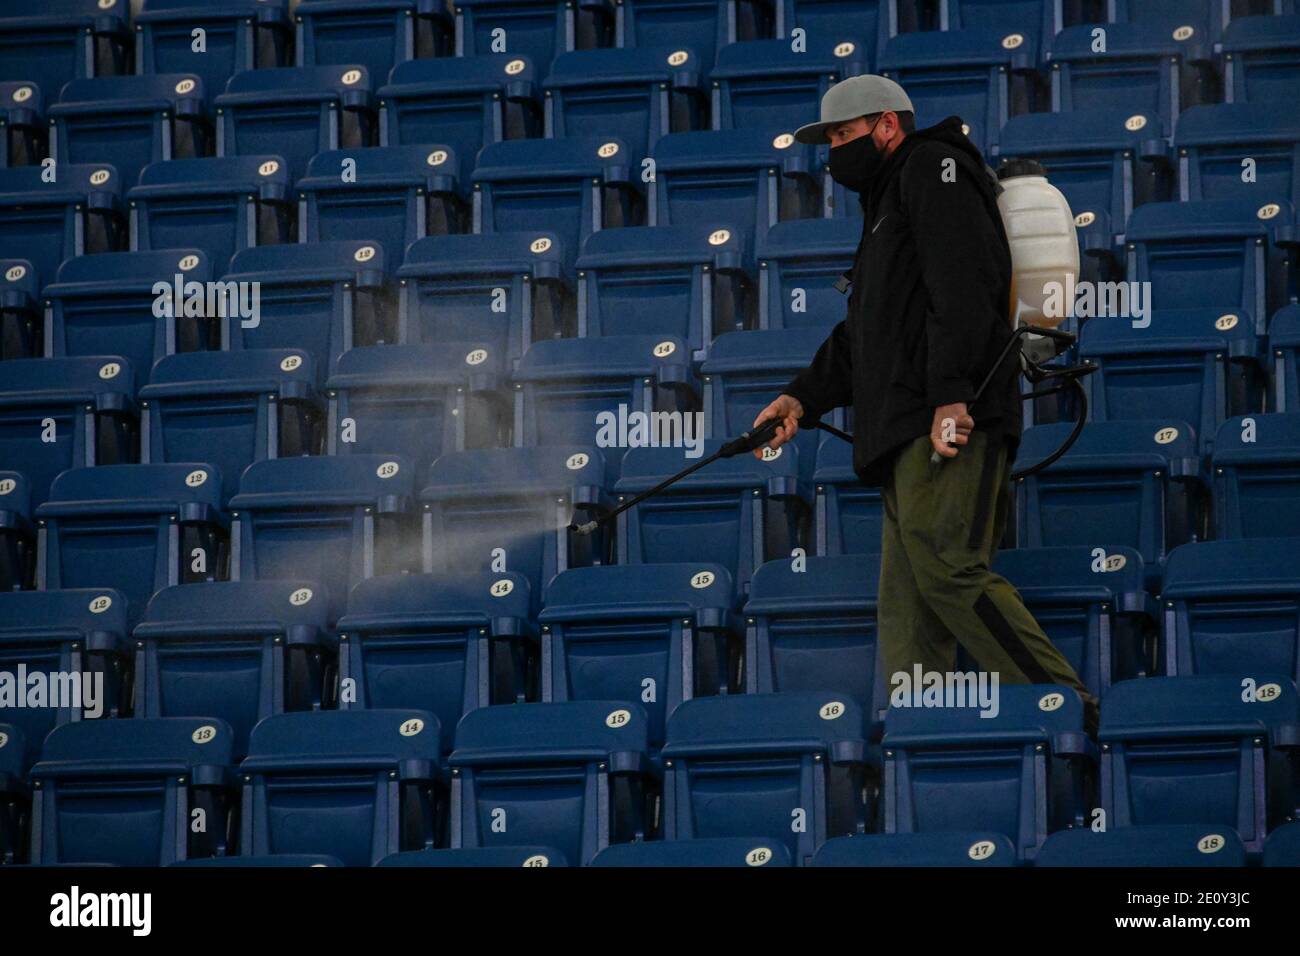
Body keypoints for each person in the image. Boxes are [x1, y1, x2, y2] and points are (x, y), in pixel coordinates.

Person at [754, 74, 1099, 733]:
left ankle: (1064, 706)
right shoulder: (885, 203)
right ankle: (925, 740)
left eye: (844, 134)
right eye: (828, 140)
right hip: (901, 432)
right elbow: (866, 331)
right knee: (908, 610)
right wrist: (801, 396)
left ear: (887, 124)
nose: (834, 150)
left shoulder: (933, 167)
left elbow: (965, 287)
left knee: (949, 571)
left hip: (944, 420)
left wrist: (951, 399)